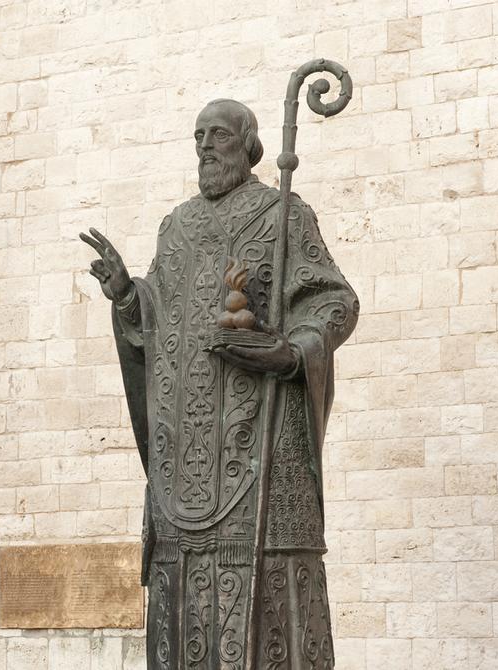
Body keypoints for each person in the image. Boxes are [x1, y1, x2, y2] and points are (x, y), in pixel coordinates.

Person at [81, 98, 359, 669]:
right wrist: (127, 297)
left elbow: (335, 302)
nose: (206, 146)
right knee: (180, 605)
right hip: (182, 460)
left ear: (249, 143)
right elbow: (153, 325)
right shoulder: (175, 228)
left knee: (269, 605)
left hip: (260, 449)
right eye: (199, 136)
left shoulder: (282, 215)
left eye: (219, 135)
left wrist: (290, 351)